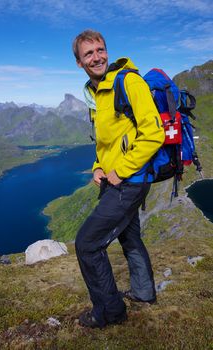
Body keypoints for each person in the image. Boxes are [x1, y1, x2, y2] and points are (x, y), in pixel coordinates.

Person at [73, 30, 165, 329]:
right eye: (89, 53)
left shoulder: (129, 82)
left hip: (130, 180)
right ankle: (144, 293)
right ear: (79, 62)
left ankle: (110, 312)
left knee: (87, 244)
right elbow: (106, 144)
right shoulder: (95, 93)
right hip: (115, 179)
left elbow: (154, 134)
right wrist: (98, 166)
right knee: (129, 235)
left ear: (107, 52)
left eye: (100, 50)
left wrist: (121, 170)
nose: (97, 57)